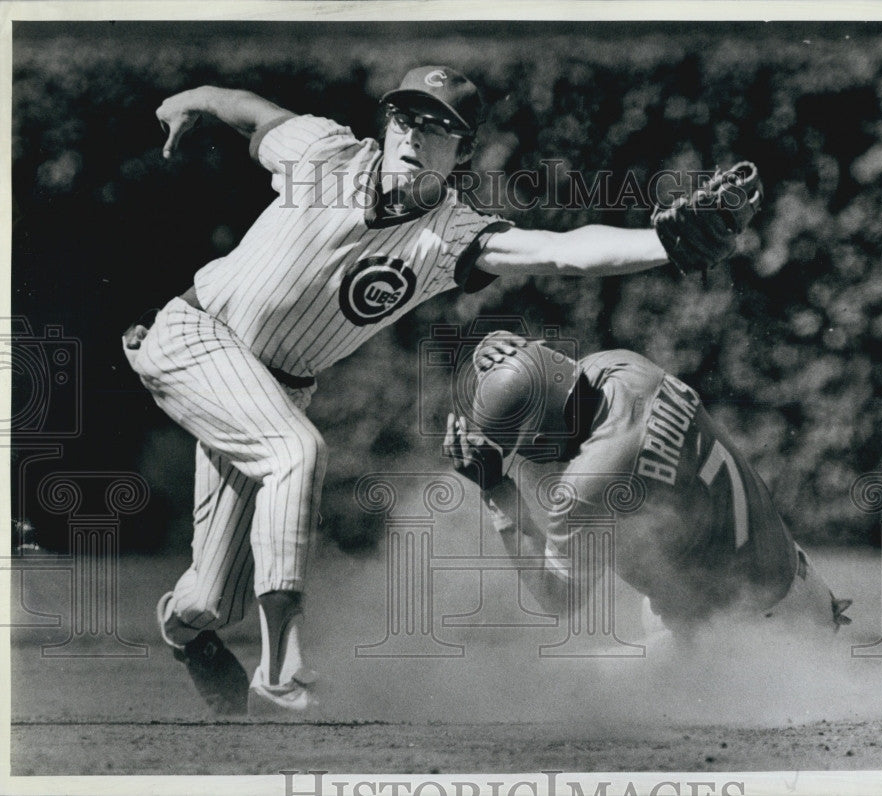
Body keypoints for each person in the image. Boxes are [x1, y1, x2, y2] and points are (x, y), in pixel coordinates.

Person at [123, 65, 758, 714]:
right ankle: (280, 666)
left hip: (265, 391)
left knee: (212, 599)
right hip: (190, 334)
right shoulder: (323, 152)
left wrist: (658, 242)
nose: (413, 134)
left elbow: (562, 251)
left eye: (437, 127)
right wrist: (188, 99)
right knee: (297, 452)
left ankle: (185, 629)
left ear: (463, 152)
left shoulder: (448, 237)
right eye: (405, 116)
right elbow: (249, 110)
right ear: (387, 121)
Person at [444, 331, 852, 640]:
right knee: (655, 606)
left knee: (558, 691)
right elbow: (558, 384)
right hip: (800, 589)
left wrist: (496, 488)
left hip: (751, 644)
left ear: (539, 439)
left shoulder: (589, 486)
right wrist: (513, 363)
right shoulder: (627, 368)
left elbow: (558, 599)